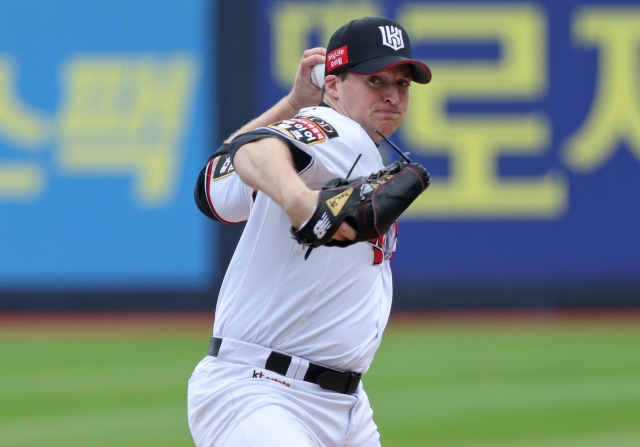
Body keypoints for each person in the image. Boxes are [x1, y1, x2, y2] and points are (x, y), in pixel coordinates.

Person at [189, 17, 432, 447]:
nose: (393, 94)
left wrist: (290, 105)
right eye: (375, 79)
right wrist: (301, 202)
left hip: (343, 407)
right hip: (262, 392)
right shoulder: (340, 133)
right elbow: (256, 149)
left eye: (403, 83)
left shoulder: (343, 149)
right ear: (334, 87)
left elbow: (212, 185)